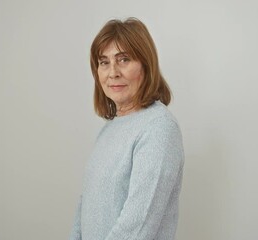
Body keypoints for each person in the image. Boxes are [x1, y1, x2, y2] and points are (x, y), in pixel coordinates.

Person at [69, 17, 184, 240]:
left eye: (124, 60)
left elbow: (138, 225)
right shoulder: (109, 129)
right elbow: (84, 207)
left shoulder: (158, 129)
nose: (113, 72)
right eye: (104, 62)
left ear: (145, 65)